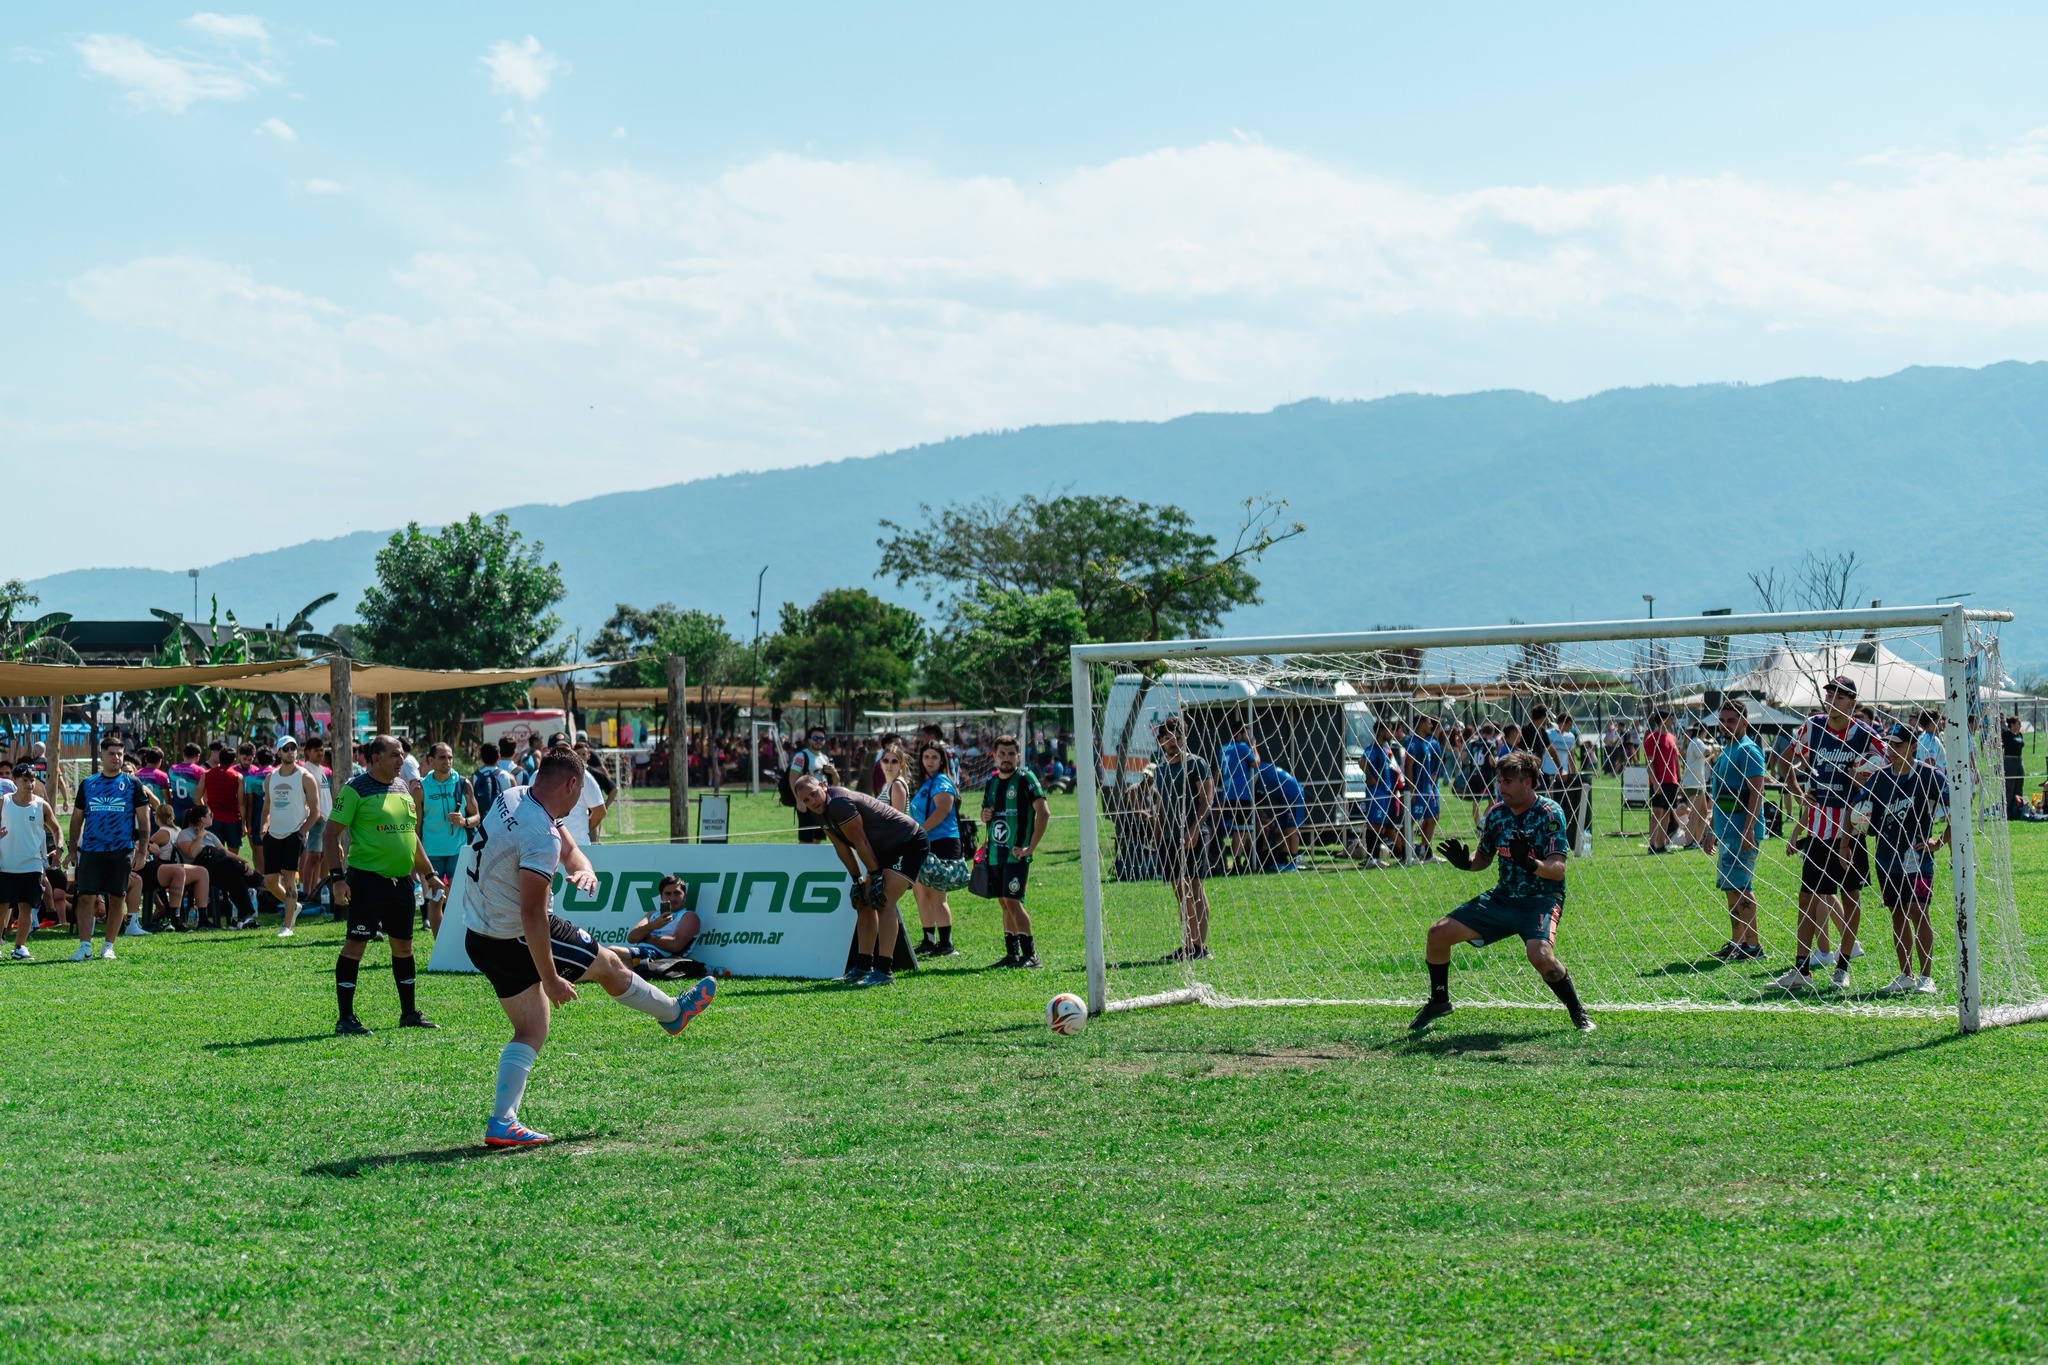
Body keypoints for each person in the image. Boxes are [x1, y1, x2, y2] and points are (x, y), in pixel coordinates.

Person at [465, 749, 717, 1148]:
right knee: (609, 966)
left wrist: (584, 869)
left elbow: (570, 851)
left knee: (532, 1028)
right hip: (519, 935)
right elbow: (532, 913)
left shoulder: (516, 796)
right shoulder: (539, 833)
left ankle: (502, 1122)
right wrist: (550, 978)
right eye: (581, 790)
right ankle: (673, 1013)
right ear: (572, 785)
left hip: (480, 937)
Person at [1412, 750, 1592, 1033]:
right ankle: (1439, 1000)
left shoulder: (1549, 813)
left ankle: (1578, 1012)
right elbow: (1482, 858)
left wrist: (1529, 863)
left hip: (1540, 899)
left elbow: (1558, 869)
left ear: (1527, 782)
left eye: (1507, 781)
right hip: (1503, 897)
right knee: (1438, 933)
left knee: (1540, 956)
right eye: (1499, 781)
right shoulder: (1496, 814)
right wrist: (1465, 862)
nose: (1501, 787)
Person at [327, 734, 445, 1035]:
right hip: (366, 881)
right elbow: (330, 834)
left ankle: (409, 1014)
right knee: (355, 947)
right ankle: (345, 1019)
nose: (401, 760)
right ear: (376, 758)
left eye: (402, 754)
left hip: (402, 883)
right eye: (395, 755)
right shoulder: (355, 789)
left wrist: (429, 873)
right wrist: (337, 878)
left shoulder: (402, 787)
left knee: (404, 947)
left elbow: (410, 835)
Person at [1775, 676, 1883, 992]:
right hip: (1818, 830)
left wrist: (1865, 778)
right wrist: (1798, 792)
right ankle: (1801, 969)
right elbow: (1784, 759)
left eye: (1840, 696)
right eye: (1829, 694)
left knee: (1851, 897)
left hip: (1851, 832)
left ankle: (1842, 967)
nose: (1832, 700)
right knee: (1807, 897)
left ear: (1852, 702)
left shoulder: (1865, 734)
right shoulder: (1813, 726)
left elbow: (1891, 762)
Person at [792, 774, 927, 987]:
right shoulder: (819, 812)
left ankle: (884, 971)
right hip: (883, 849)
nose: (812, 802)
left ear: (823, 786)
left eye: (814, 794)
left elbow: (860, 841)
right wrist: (857, 880)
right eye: (806, 800)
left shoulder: (838, 804)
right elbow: (841, 848)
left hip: (908, 842)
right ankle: (863, 967)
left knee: (883, 900)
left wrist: (876, 875)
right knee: (863, 902)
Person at [1867, 724, 1949, 995]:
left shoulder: (1929, 776)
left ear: (1913, 746)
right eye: (1889, 745)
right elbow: (1855, 807)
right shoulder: (1879, 778)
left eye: (1898, 745)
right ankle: (1906, 975)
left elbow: (1959, 806)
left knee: (1919, 910)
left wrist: (1939, 841)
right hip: (1886, 858)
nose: (1892, 750)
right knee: (1898, 914)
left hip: (1917, 857)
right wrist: (1850, 835)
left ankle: (1926, 977)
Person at [64, 735, 149, 962]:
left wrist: (142, 851)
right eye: (111, 753)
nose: (116, 757)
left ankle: (108, 946)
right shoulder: (88, 784)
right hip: (91, 850)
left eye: (119, 754)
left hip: (121, 849)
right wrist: (72, 850)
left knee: (117, 897)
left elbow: (144, 821)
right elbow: (76, 819)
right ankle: (84, 947)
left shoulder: (133, 784)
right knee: (85, 897)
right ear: (101, 755)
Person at [1145, 716, 1214, 961]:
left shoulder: (1196, 764)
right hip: (1169, 838)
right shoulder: (1161, 770)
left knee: (1195, 888)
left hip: (1193, 836)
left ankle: (1200, 947)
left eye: (1178, 736)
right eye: (1168, 738)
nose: (1173, 742)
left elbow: (1207, 799)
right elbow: (1162, 807)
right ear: (1161, 741)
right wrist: (1157, 836)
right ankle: (1188, 945)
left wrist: (1194, 829)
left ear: (1185, 738)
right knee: (1180, 892)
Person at [1706, 698, 1768, 962]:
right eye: (1722, 720)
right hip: (1726, 832)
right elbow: (1719, 794)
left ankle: (1754, 946)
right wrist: (1711, 829)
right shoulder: (1726, 751)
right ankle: (1738, 942)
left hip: (1742, 832)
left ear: (1744, 722)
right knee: (1730, 888)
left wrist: (1748, 829)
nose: (1725, 725)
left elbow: (1757, 791)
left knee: (1741, 887)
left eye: (1731, 720)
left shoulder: (1749, 750)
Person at [981, 734, 1050, 967]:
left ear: (1018, 756)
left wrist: (1031, 847)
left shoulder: (1025, 778)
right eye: (1002, 754)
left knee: (1012, 901)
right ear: (994, 756)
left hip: (1016, 854)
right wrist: (984, 815)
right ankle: (1012, 954)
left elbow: (1044, 812)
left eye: (1011, 754)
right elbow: (986, 813)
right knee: (1004, 902)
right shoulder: (991, 782)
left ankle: (1031, 956)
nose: (1007, 758)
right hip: (995, 853)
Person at [257, 737, 320, 937]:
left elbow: (315, 812)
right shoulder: (271, 778)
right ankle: (293, 905)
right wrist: (263, 830)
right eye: (286, 749)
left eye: (293, 748)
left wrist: (301, 833)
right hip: (273, 834)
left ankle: (287, 926)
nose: (291, 752)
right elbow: (266, 808)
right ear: (279, 753)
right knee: (270, 882)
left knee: (289, 877)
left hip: (294, 833)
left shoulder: (305, 777)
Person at [412, 742, 477, 937]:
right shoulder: (420, 788)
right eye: (442, 757)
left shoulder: (463, 783)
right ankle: (439, 944)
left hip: (458, 851)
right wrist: (416, 859)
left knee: (461, 900)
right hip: (432, 854)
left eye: (450, 757)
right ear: (431, 761)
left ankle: (459, 942)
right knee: (436, 900)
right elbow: (416, 827)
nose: (447, 761)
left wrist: (465, 821)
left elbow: (477, 816)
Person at [906, 739, 962, 959]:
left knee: (937, 895)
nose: (930, 761)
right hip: (925, 842)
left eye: (934, 757)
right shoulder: (925, 783)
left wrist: (919, 831)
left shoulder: (941, 781)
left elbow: (943, 809)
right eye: (926, 757)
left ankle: (946, 944)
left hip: (942, 842)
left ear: (942, 761)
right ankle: (929, 940)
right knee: (920, 892)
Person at [2, 774, 61, 960]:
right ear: (15, 782)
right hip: (5, 864)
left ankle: (19, 947)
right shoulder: (4, 802)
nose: (29, 784)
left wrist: (59, 848)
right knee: (2, 907)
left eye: (32, 780)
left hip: (32, 864)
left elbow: (56, 829)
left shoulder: (41, 805)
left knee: (26, 907)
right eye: (25, 780)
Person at [173, 806, 256, 927]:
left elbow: (225, 851)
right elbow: (191, 854)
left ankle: (245, 916)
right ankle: (258, 879)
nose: (213, 816)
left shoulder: (210, 835)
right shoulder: (184, 834)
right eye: (210, 815)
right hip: (199, 871)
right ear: (202, 819)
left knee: (234, 875)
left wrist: (244, 862)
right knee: (229, 864)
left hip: (218, 870)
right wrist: (200, 836)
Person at [1357, 720, 1404, 866]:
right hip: (1376, 792)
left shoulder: (1384, 749)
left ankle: (1376, 858)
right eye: (1389, 730)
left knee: (1381, 825)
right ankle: (1372, 858)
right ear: (1382, 732)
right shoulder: (1373, 748)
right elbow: (1361, 761)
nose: (1391, 733)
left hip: (1384, 792)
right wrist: (1371, 777)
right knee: (1374, 824)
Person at [624, 875, 702, 961]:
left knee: (613, 952)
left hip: (659, 956)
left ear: (685, 895)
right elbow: (631, 938)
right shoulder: (652, 914)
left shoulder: (688, 916)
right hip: (640, 952)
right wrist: (653, 925)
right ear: (661, 896)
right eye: (668, 894)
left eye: (677, 893)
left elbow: (675, 945)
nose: (672, 898)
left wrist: (647, 937)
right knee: (613, 957)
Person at [298, 736, 335, 906]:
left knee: (319, 857)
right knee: (312, 855)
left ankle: (314, 892)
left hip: (326, 817)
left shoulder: (321, 770)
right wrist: (314, 813)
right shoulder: (306, 770)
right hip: (316, 818)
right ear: (308, 752)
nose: (321, 753)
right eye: (317, 750)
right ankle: (306, 893)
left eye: (322, 750)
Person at [1250, 758, 1307, 870]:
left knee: (1291, 829)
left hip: (1293, 794)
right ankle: (1282, 860)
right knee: (1283, 829)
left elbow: (1252, 791)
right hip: (1283, 798)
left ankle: (1294, 861)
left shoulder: (1254, 770)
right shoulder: (1259, 768)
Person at [1403, 714, 1446, 858]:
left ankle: (1426, 852)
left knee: (1432, 818)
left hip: (1427, 790)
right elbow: (1408, 766)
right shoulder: (1413, 742)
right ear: (1421, 724)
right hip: (1417, 790)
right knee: (1410, 821)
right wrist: (1411, 791)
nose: (1431, 726)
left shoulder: (1425, 743)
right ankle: (1405, 852)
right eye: (1429, 723)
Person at [1216, 721, 1257, 872]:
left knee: (1243, 829)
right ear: (1239, 735)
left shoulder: (1223, 748)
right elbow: (1255, 763)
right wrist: (1254, 746)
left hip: (1227, 794)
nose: (1248, 737)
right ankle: (1237, 864)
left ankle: (1245, 859)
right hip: (1241, 794)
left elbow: (1219, 770)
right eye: (1246, 734)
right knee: (1240, 829)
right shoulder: (1243, 747)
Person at [1641, 712, 1681, 853]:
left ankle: (1661, 845)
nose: (1672, 720)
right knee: (1657, 812)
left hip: (1672, 781)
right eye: (1670, 718)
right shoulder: (1652, 739)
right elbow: (1649, 763)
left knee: (1667, 813)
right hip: (1659, 781)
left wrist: (1679, 779)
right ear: (1662, 720)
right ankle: (1652, 845)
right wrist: (1655, 782)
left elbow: (1676, 760)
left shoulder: (1672, 737)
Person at [786, 726, 833, 844]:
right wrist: (799, 801)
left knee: (818, 837)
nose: (818, 741)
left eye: (821, 738)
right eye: (815, 738)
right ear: (809, 740)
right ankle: (802, 857)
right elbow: (792, 778)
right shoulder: (801, 756)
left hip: (822, 804)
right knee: (806, 839)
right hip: (807, 803)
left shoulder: (825, 758)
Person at [202, 746, 245, 860]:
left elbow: (197, 798)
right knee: (233, 857)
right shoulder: (237, 776)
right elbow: (241, 802)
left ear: (220, 758)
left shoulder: (207, 774)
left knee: (215, 855)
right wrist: (244, 824)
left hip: (213, 820)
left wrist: (206, 809)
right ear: (234, 761)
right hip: (232, 820)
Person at [1679, 721, 1713, 852]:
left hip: (1697, 783)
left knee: (1703, 812)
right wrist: (1711, 747)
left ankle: (1697, 841)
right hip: (1694, 784)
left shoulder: (1694, 742)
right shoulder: (1697, 741)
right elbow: (1705, 751)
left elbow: (1700, 761)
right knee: (1695, 813)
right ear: (1704, 731)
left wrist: (1713, 755)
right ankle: (1688, 842)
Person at [571, 740, 614, 841]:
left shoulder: (595, 774)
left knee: (593, 844)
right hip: (575, 821)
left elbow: (614, 789)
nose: (581, 756)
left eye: (583, 754)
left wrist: (606, 805)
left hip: (592, 819)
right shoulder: (569, 773)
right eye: (578, 754)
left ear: (588, 756)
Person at [1462, 722, 1500, 829]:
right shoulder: (1491, 744)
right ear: (1492, 732)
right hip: (1487, 776)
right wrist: (1496, 764)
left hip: (1474, 776)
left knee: (1476, 803)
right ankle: (1482, 822)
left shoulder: (1472, 743)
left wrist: (1469, 766)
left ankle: (1478, 825)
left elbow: (1463, 758)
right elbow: (1491, 761)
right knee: (1493, 802)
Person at [168, 744, 206, 825]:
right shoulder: (200, 771)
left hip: (175, 812)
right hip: (193, 813)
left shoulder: (172, 769)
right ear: (197, 756)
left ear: (183, 754)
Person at [2002, 716, 2027, 820]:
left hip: (2019, 761)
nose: (2020, 726)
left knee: (2019, 786)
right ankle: (2006, 811)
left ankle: (2018, 809)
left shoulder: (2020, 735)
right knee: (2009, 787)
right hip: (2010, 761)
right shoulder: (2006, 735)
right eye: (2018, 724)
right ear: (2012, 725)